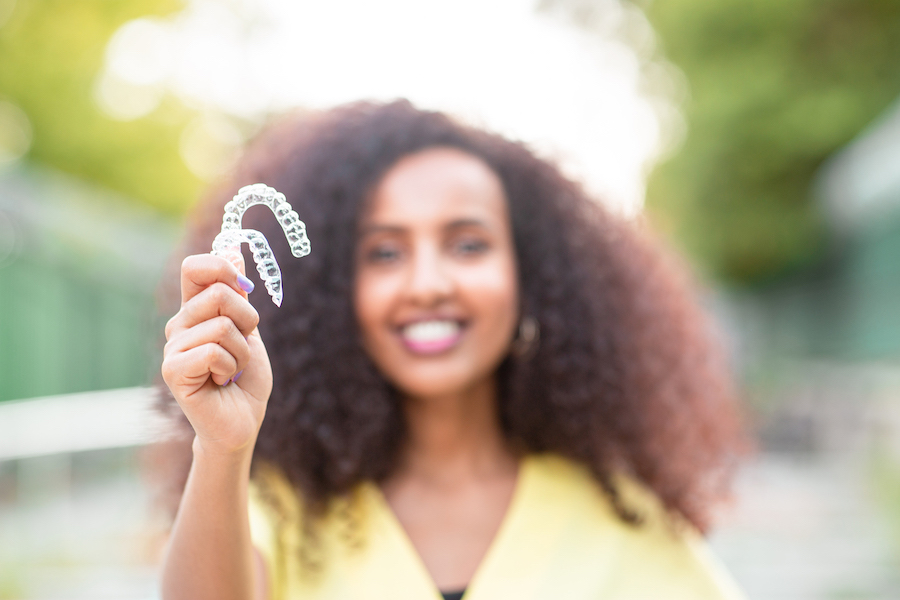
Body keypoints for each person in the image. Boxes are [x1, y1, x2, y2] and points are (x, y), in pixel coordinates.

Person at [157, 100, 747, 600]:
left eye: (468, 245)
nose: (429, 283)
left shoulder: (625, 516)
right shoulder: (280, 511)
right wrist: (223, 447)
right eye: (385, 253)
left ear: (532, 277)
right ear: (338, 295)